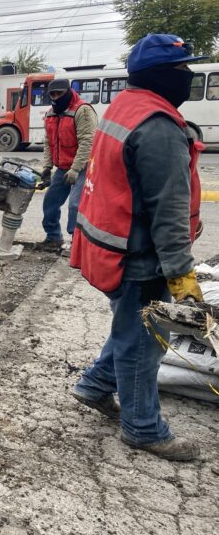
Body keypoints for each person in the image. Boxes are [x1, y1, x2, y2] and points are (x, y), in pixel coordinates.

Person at [70, 33, 207, 461]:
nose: (189, 76)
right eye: (183, 69)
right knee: (144, 345)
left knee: (130, 331)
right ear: (162, 75)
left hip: (110, 249)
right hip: (138, 260)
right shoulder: (159, 128)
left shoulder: (126, 106)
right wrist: (182, 278)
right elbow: (168, 215)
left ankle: (93, 386)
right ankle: (142, 428)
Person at [39, 78, 97, 252]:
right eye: (53, 94)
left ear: (68, 92)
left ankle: (76, 244)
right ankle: (53, 238)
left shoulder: (83, 111)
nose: (56, 97)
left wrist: (75, 169)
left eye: (60, 93)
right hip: (63, 167)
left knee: (75, 205)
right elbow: (48, 142)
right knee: (50, 202)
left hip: (83, 167)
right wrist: (47, 167)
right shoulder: (51, 114)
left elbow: (88, 142)